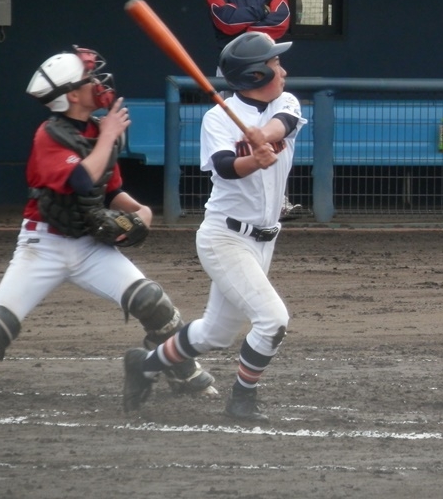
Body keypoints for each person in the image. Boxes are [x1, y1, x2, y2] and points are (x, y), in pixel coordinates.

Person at [0, 46, 216, 398]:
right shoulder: (49, 135)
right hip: (43, 246)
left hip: (88, 245)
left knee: (151, 301)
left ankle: (176, 368)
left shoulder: (100, 131)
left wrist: (140, 210)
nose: (98, 82)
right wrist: (108, 136)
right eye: (88, 79)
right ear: (72, 95)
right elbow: (81, 180)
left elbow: (109, 188)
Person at [123, 32, 306, 423]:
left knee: (215, 333)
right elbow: (225, 167)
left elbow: (284, 123)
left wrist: (262, 137)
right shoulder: (217, 118)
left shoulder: (285, 101)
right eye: (275, 65)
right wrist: (253, 159)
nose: (283, 70)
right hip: (225, 238)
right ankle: (242, 398)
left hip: (264, 239)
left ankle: (145, 365)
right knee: (273, 320)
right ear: (256, 74)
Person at [207, 0, 301, 220]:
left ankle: (279, 200)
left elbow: (281, 21)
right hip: (232, 69)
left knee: (276, 138)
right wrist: (260, 14)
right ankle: (228, 198)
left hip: (267, 66)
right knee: (231, 138)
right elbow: (226, 21)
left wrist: (245, 24)